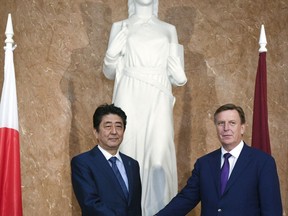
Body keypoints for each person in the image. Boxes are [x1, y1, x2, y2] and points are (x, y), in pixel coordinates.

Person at [103, 0, 187, 215]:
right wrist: (111, 54)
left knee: (159, 160)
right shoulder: (120, 26)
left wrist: (179, 74)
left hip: (158, 94)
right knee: (128, 155)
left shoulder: (169, 29)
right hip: (129, 92)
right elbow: (109, 72)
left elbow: (178, 77)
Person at [156, 103, 283, 216]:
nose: (226, 128)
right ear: (216, 127)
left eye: (232, 123)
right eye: (221, 123)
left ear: (242, 128)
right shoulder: (204, 164)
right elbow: (186, 199)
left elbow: (271, 210)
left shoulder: (263, 162)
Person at [71, 104, 142, 216]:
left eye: (119, 126)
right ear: (96, 132)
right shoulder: (82, 162)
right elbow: (90, 204)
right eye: (108, 126)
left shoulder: (132, 164)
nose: (114, 132)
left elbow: (135, 206)